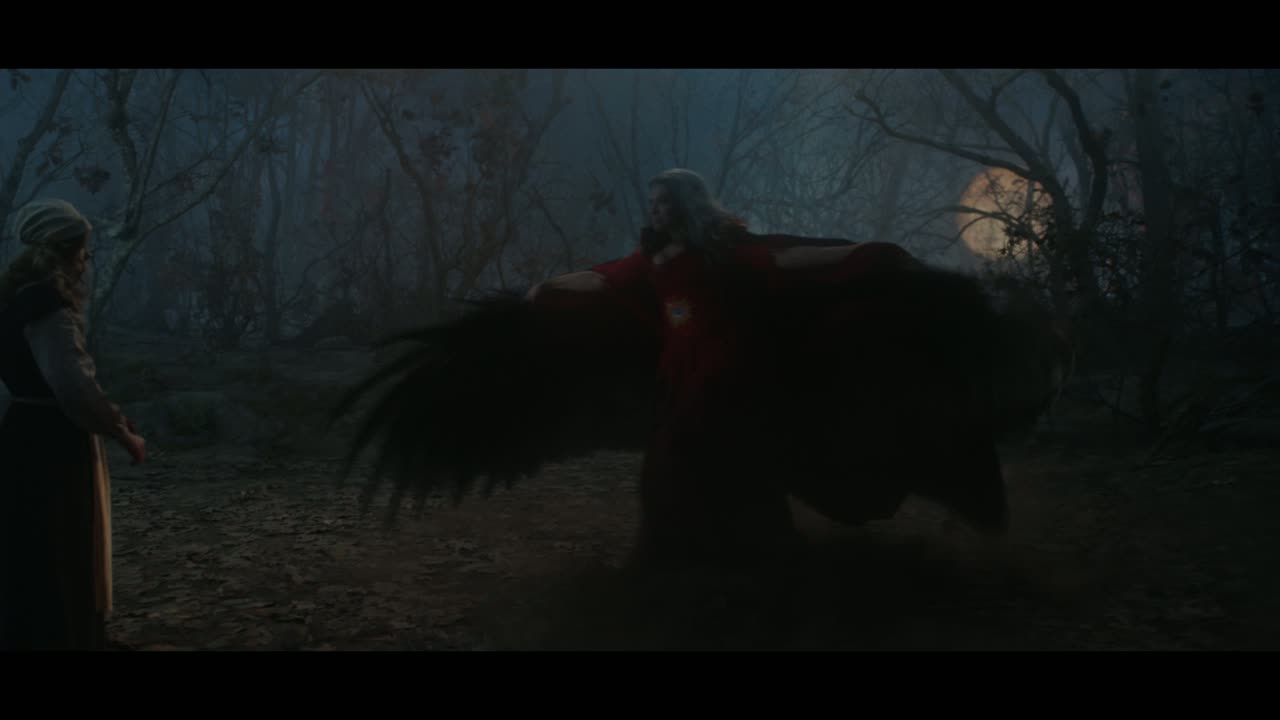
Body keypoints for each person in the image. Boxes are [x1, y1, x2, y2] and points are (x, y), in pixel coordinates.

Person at [524, 169, 921, 565]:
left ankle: (715, 554)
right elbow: (605, 279)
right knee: (693, 460)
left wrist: (865, 254)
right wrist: (550, 286)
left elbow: (786, 258)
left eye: (664, 202)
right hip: (681, 367)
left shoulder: (722, 247)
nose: (656, 211)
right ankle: (701, 552)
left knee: (691, 455)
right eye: (653, 203)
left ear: (685, 204)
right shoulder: (652, 255)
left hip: (723, 365)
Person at [0, 198, 147, 651]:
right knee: (63, 541)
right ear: (65, 252)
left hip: (22, 432)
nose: (86, 260)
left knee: (32, 540)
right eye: (83, 250)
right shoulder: (46, 306)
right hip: (52, 440)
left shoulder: (13, 297)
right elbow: (73, 385)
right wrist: (122, 431)